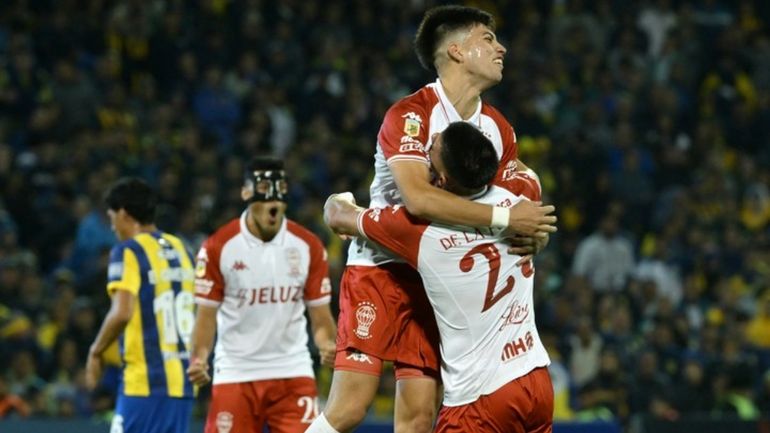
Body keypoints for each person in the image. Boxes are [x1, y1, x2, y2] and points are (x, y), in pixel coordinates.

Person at [307, 5, 556, 433]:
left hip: (440, 282)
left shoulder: (499, 130)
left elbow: (520, 212)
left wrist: (535, 237)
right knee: (350, 408)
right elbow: (419, 199)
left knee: (419, 418)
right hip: (381, 268)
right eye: (487, 38)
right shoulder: (411, 116)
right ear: (456, 51)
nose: (501, 47)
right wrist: (506, 218)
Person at [324, 122, 553, 432]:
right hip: (534, 379)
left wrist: (340, 197)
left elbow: (339, 217)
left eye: (433, 147)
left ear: (441, 180)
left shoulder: (417, 228)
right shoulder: (522, 200)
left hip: (479, 397)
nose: (428, 140)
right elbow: (525, 171)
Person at [186, 156, 336, 433]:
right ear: (246, 193)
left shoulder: (308, 245)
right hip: (236, 372)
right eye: (266, 199)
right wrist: (198, 358)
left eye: (278, 202)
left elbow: (321, 315)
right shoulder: (218, 247)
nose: (273, 207)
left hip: (293, 371)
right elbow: (205, 316)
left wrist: (328, 344)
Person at [86, 177, 195, 433]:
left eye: (111, 217)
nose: (112, 226)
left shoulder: (128, 251)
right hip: (183, 384)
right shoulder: (183, 249)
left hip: (145, 383)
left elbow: (122, 312)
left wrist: (96, 350)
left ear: (123, 213)